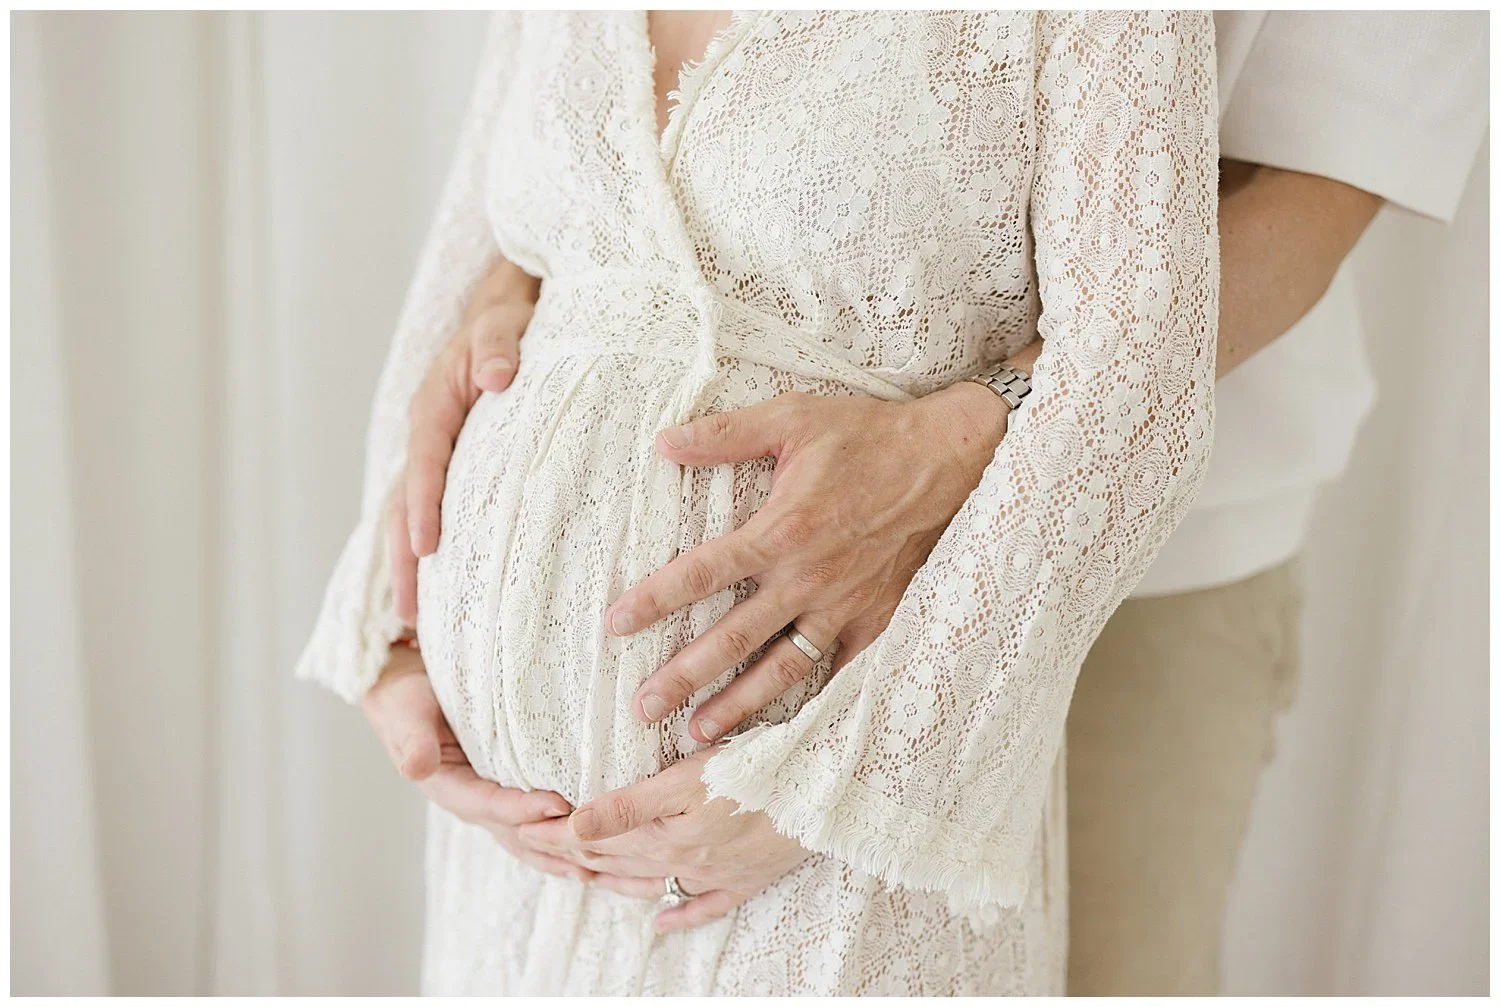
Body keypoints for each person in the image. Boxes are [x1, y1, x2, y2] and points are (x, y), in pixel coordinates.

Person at [340, 9, 1488, 997]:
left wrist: (848, 782)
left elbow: (1201, 299)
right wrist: (390, 624)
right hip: (523, 869)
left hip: (1086, 589)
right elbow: (516, 217)